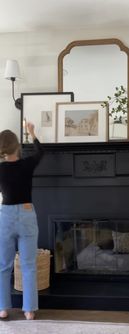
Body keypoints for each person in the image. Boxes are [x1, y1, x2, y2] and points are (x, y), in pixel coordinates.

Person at [0, 123, 43, 320]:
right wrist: (32, 132)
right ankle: (29, 310)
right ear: (18, 147)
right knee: (28, 264)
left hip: (6, 217)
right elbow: (40, 152)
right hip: (26, 215)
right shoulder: (27, 164)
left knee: (3, 265)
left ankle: (2, 308)